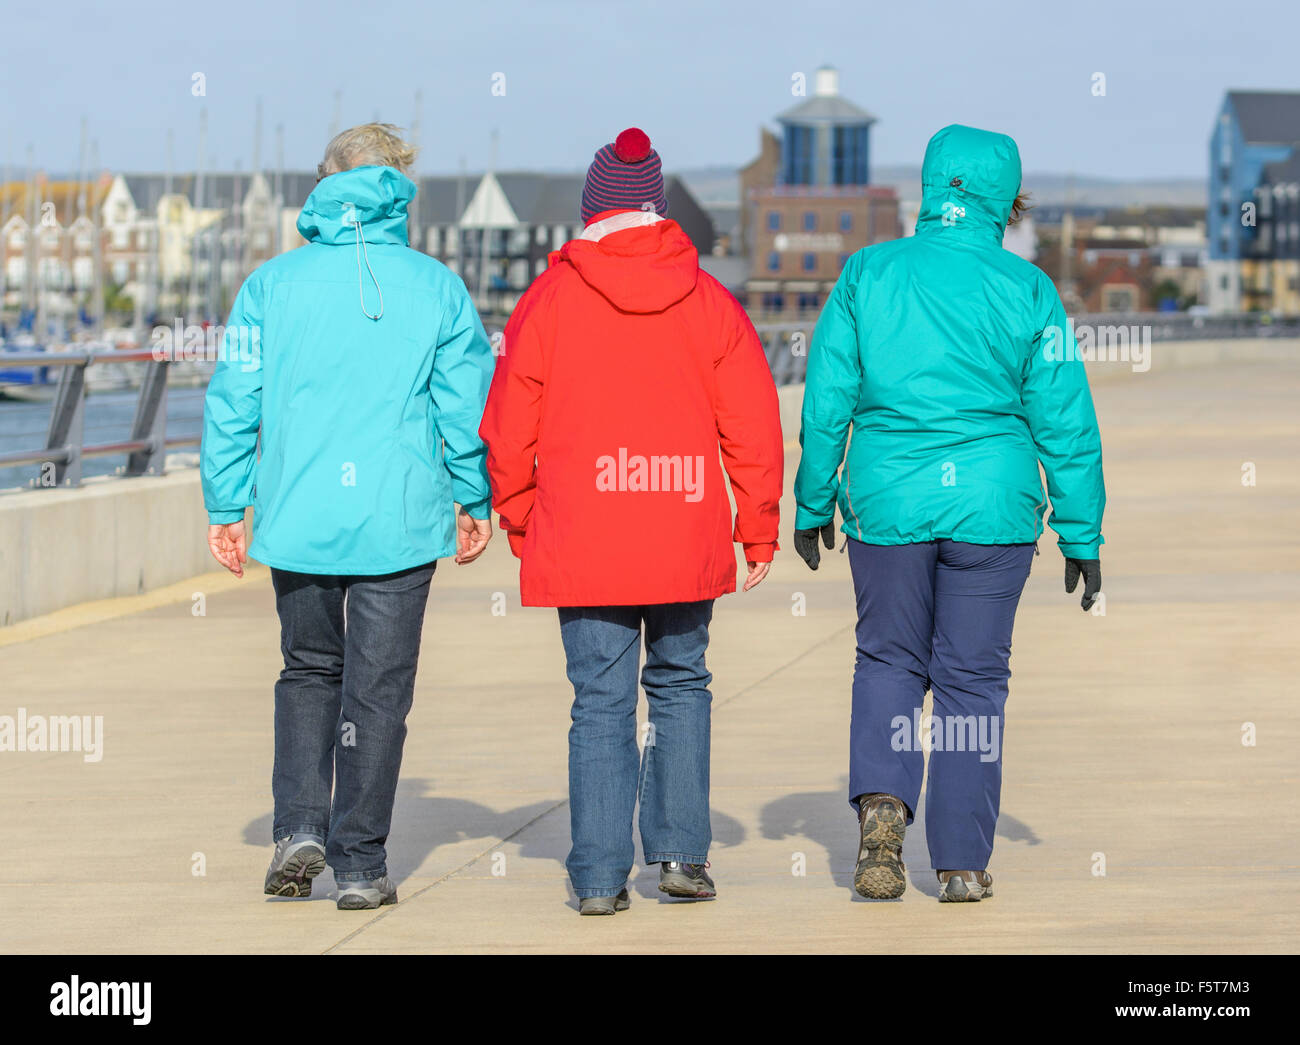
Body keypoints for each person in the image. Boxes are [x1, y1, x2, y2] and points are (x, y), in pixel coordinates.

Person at [793, 124, 1105, 903]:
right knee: (972, 680)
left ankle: (884, 812)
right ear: (1004, 197)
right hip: (993, 509)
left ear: (931, 189)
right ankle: (962, 861)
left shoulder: (868, 273)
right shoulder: (1028, 288)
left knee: (890, 659)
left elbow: (828, 394)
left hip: (887, 502)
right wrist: (1082, 530)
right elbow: (1065, 417)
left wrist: (811, 497)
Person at [479, 128, 784, 915]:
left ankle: (598, 876)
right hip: (682, 526)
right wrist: (756, 523)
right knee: (682, 685)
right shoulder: (710, 302)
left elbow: (508, 424)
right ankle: (682, 854)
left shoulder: (547, 301)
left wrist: (519, 515)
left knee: (600, 700)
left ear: (592, 212)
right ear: (656, 211)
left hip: (585, 532)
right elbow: (751, 420)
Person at [201, 123, 494, 911]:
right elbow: (465, 407)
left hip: (299, 514)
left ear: (325, 183)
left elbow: (233, 400)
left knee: (308, 672)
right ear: (403, 189)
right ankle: (360, 863)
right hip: (396, 522)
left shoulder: (271, 284)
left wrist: (227, 503)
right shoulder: (435, 287)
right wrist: (474, 495)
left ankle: (298, 824)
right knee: (378, 693)